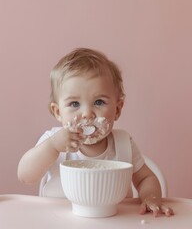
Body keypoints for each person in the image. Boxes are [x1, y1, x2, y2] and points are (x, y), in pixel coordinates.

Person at [17, 48, 174, 217]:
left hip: (115, 221)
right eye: (75, 104)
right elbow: (25, 176)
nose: (87, 114)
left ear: (117, 109)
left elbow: (146, 179)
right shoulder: (53, 142)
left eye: (99, 102)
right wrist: (52, 147)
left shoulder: (123, 144)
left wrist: (151, 197)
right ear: (58, 112)